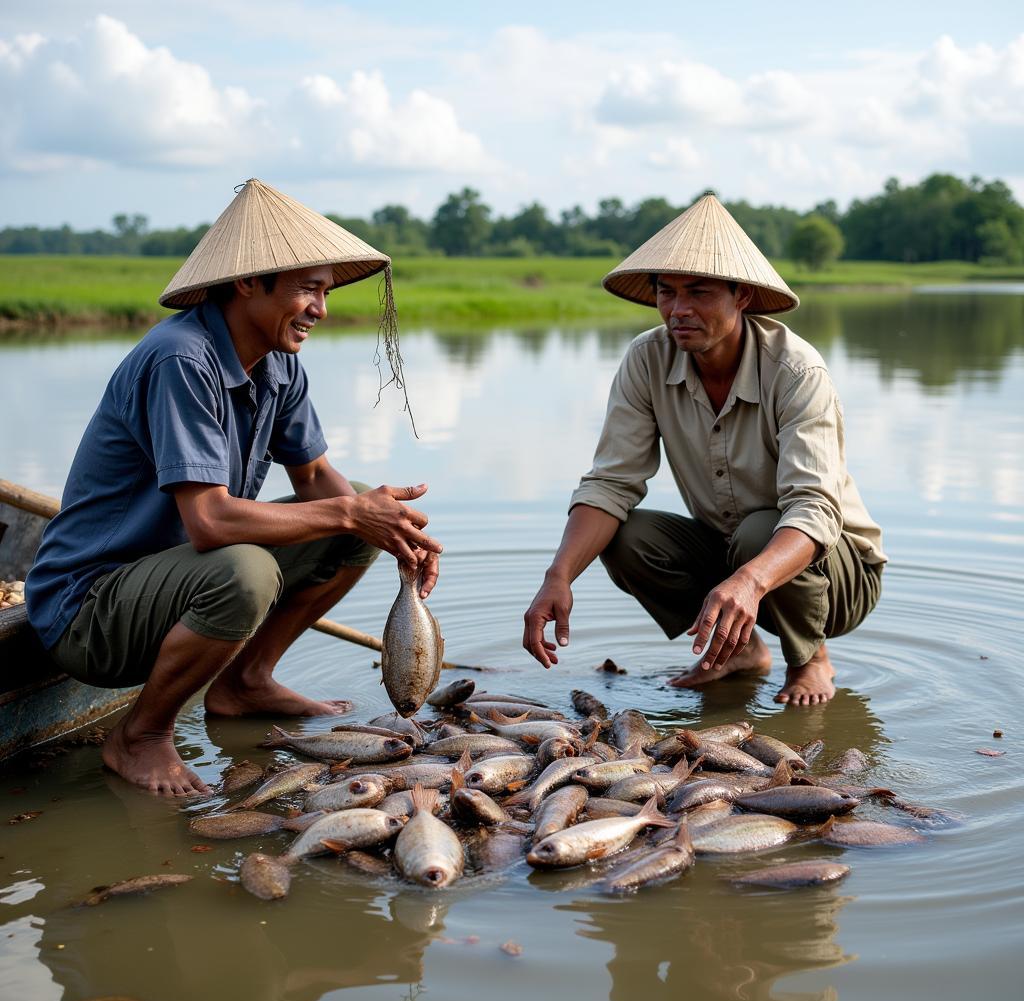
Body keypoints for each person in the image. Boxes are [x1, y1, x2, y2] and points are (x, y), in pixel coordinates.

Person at [25, 179, 441, 796]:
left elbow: (317, 480)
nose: (320, 310)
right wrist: (351, 513)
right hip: (91, 611)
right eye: (306, 289)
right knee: (246, 570)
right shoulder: (181, 360)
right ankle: (140, 736)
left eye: (324, 292)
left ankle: (246, 680)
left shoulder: (277, 363)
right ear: (248, 282)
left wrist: (391, 531)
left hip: (170, 583)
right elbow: (211, 524)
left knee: (350, 511)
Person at [523, 192, 885, 706]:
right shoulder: (647, 360)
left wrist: (752, 582)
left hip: (834, 572)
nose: (678, 310)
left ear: (741, 297)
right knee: (626, 537)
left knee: (762, 529)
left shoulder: (796, 370)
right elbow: (611, 483)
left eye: (699, 292)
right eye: (666, 292)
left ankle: (812, 658)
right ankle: (737, 651)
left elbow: (814, 508)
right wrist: (557, 577)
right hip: (735, 551)